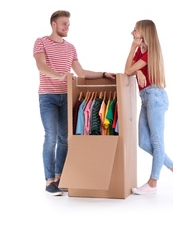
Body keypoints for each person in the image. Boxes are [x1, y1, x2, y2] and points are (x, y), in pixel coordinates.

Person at [33, 10, 116, 196]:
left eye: (68, 24)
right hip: (48, 97)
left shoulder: (70, 47)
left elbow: (82, 72)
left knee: (64, 138)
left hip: (66, 96)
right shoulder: (41, 42)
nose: (67, 27)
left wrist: (103, 74)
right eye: (64, 24)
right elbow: (41, 66)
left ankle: (60, 178)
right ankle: (49, 181)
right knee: (51, 136)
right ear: (54, 24)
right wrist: (60, 75)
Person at [124, 20, 173, 195]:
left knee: (157, 142)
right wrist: (135, 64)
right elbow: (126, 70)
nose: (132, 33)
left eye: (135, 30)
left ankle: (153, 183)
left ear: (144, 32)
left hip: (155, 97)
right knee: (143, 142)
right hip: (145, 98)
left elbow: (128, 71)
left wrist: (134, 70)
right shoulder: (139, 51)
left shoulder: (150, 52)